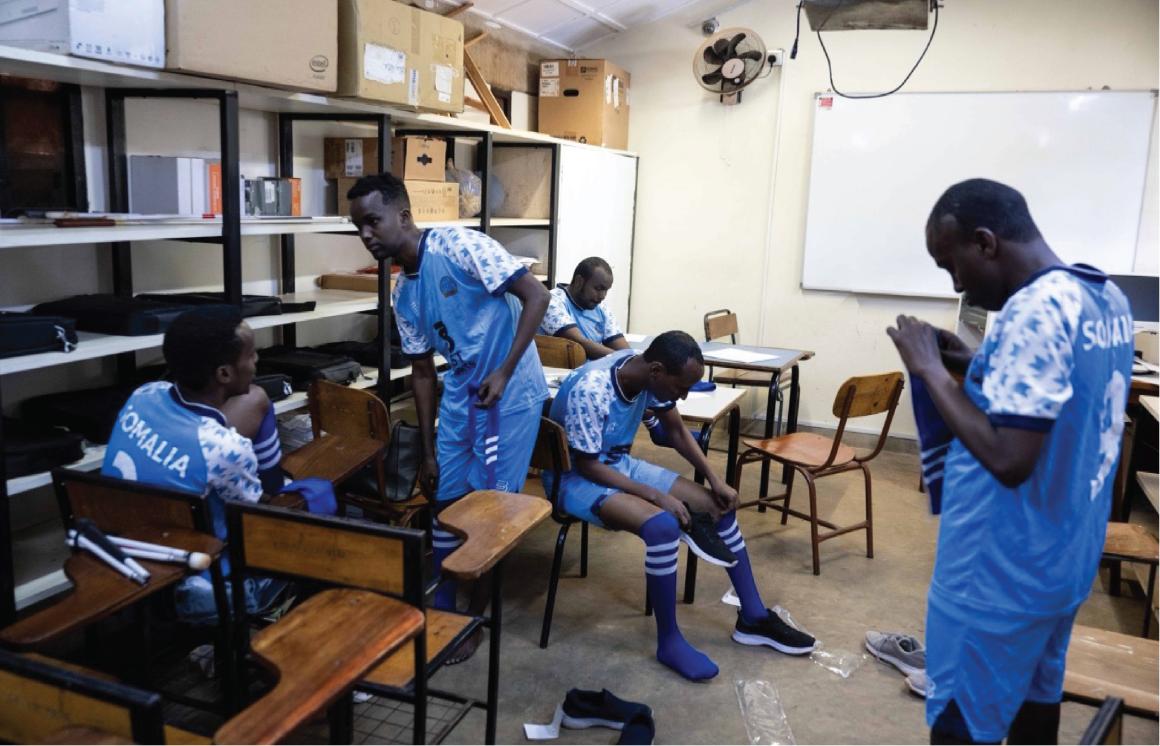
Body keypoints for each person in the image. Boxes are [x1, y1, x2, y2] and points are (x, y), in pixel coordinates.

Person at [886, 179, 1133, 745]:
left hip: (999, 573)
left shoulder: (1034, 312)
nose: (956, 284)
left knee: (962, 726)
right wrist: (974, 362)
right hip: (1061, 561)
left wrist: (927, 368)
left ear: (986, 242)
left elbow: (1009, 456)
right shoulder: (1103, 297)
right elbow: (1054, 399)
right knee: (1033, 708)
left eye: (952, 264)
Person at [547, 330, 817, 681]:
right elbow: (587, 465)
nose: (685, 395)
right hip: (574, 477)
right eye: (681, 388)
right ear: (657, 371)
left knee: (718, 506)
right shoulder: (593, 387)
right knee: (663, 525)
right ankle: (669, 642)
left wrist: (715, 480)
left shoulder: (646, 375)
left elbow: (674, 432)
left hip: (617, 465)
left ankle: (753, 617)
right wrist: (656, 496)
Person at [347, 174, 550, 625]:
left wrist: (504, 370)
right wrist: (427, 449)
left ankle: (475, 617)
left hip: (509, 394)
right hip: (462, 394)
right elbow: (422, 373)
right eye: (358, 226)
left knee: (490, 510)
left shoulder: (461, 247)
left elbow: (537, 295)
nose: (365, 236)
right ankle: (443, 597)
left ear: (403, 215)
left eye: (373, 222)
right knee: (446, 499)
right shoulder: (403, 294)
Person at [102, 306, 285, 624]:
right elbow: (257, 519)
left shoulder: (143, 395)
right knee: (318, 544)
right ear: (224, 374)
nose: (257, 362)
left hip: (122, 565)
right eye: (252, 355)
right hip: (199, 588)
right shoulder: (225, 448)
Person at [540, 256, 628, 360]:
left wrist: (633, 359)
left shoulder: (601, 308)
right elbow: (579, 344)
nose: (603, 296)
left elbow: (623, 349)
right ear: (579, 282)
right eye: (598, 289)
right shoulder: (552, 301)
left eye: (606, 290)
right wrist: (624, 359)